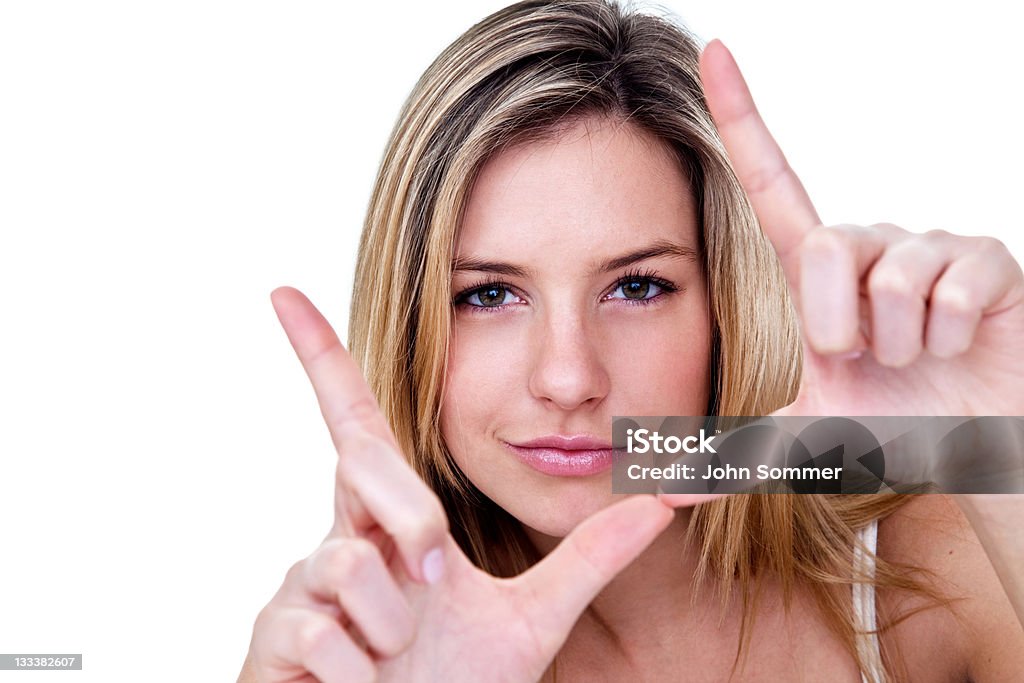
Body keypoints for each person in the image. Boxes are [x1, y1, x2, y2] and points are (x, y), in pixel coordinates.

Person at [238, 1, 1024, 680]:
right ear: (409, 324)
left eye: (637, 287)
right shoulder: (377, 649)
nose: (569, 377)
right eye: (488, 294)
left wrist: (1010, 445)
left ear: (726, 305)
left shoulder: (934, 560)